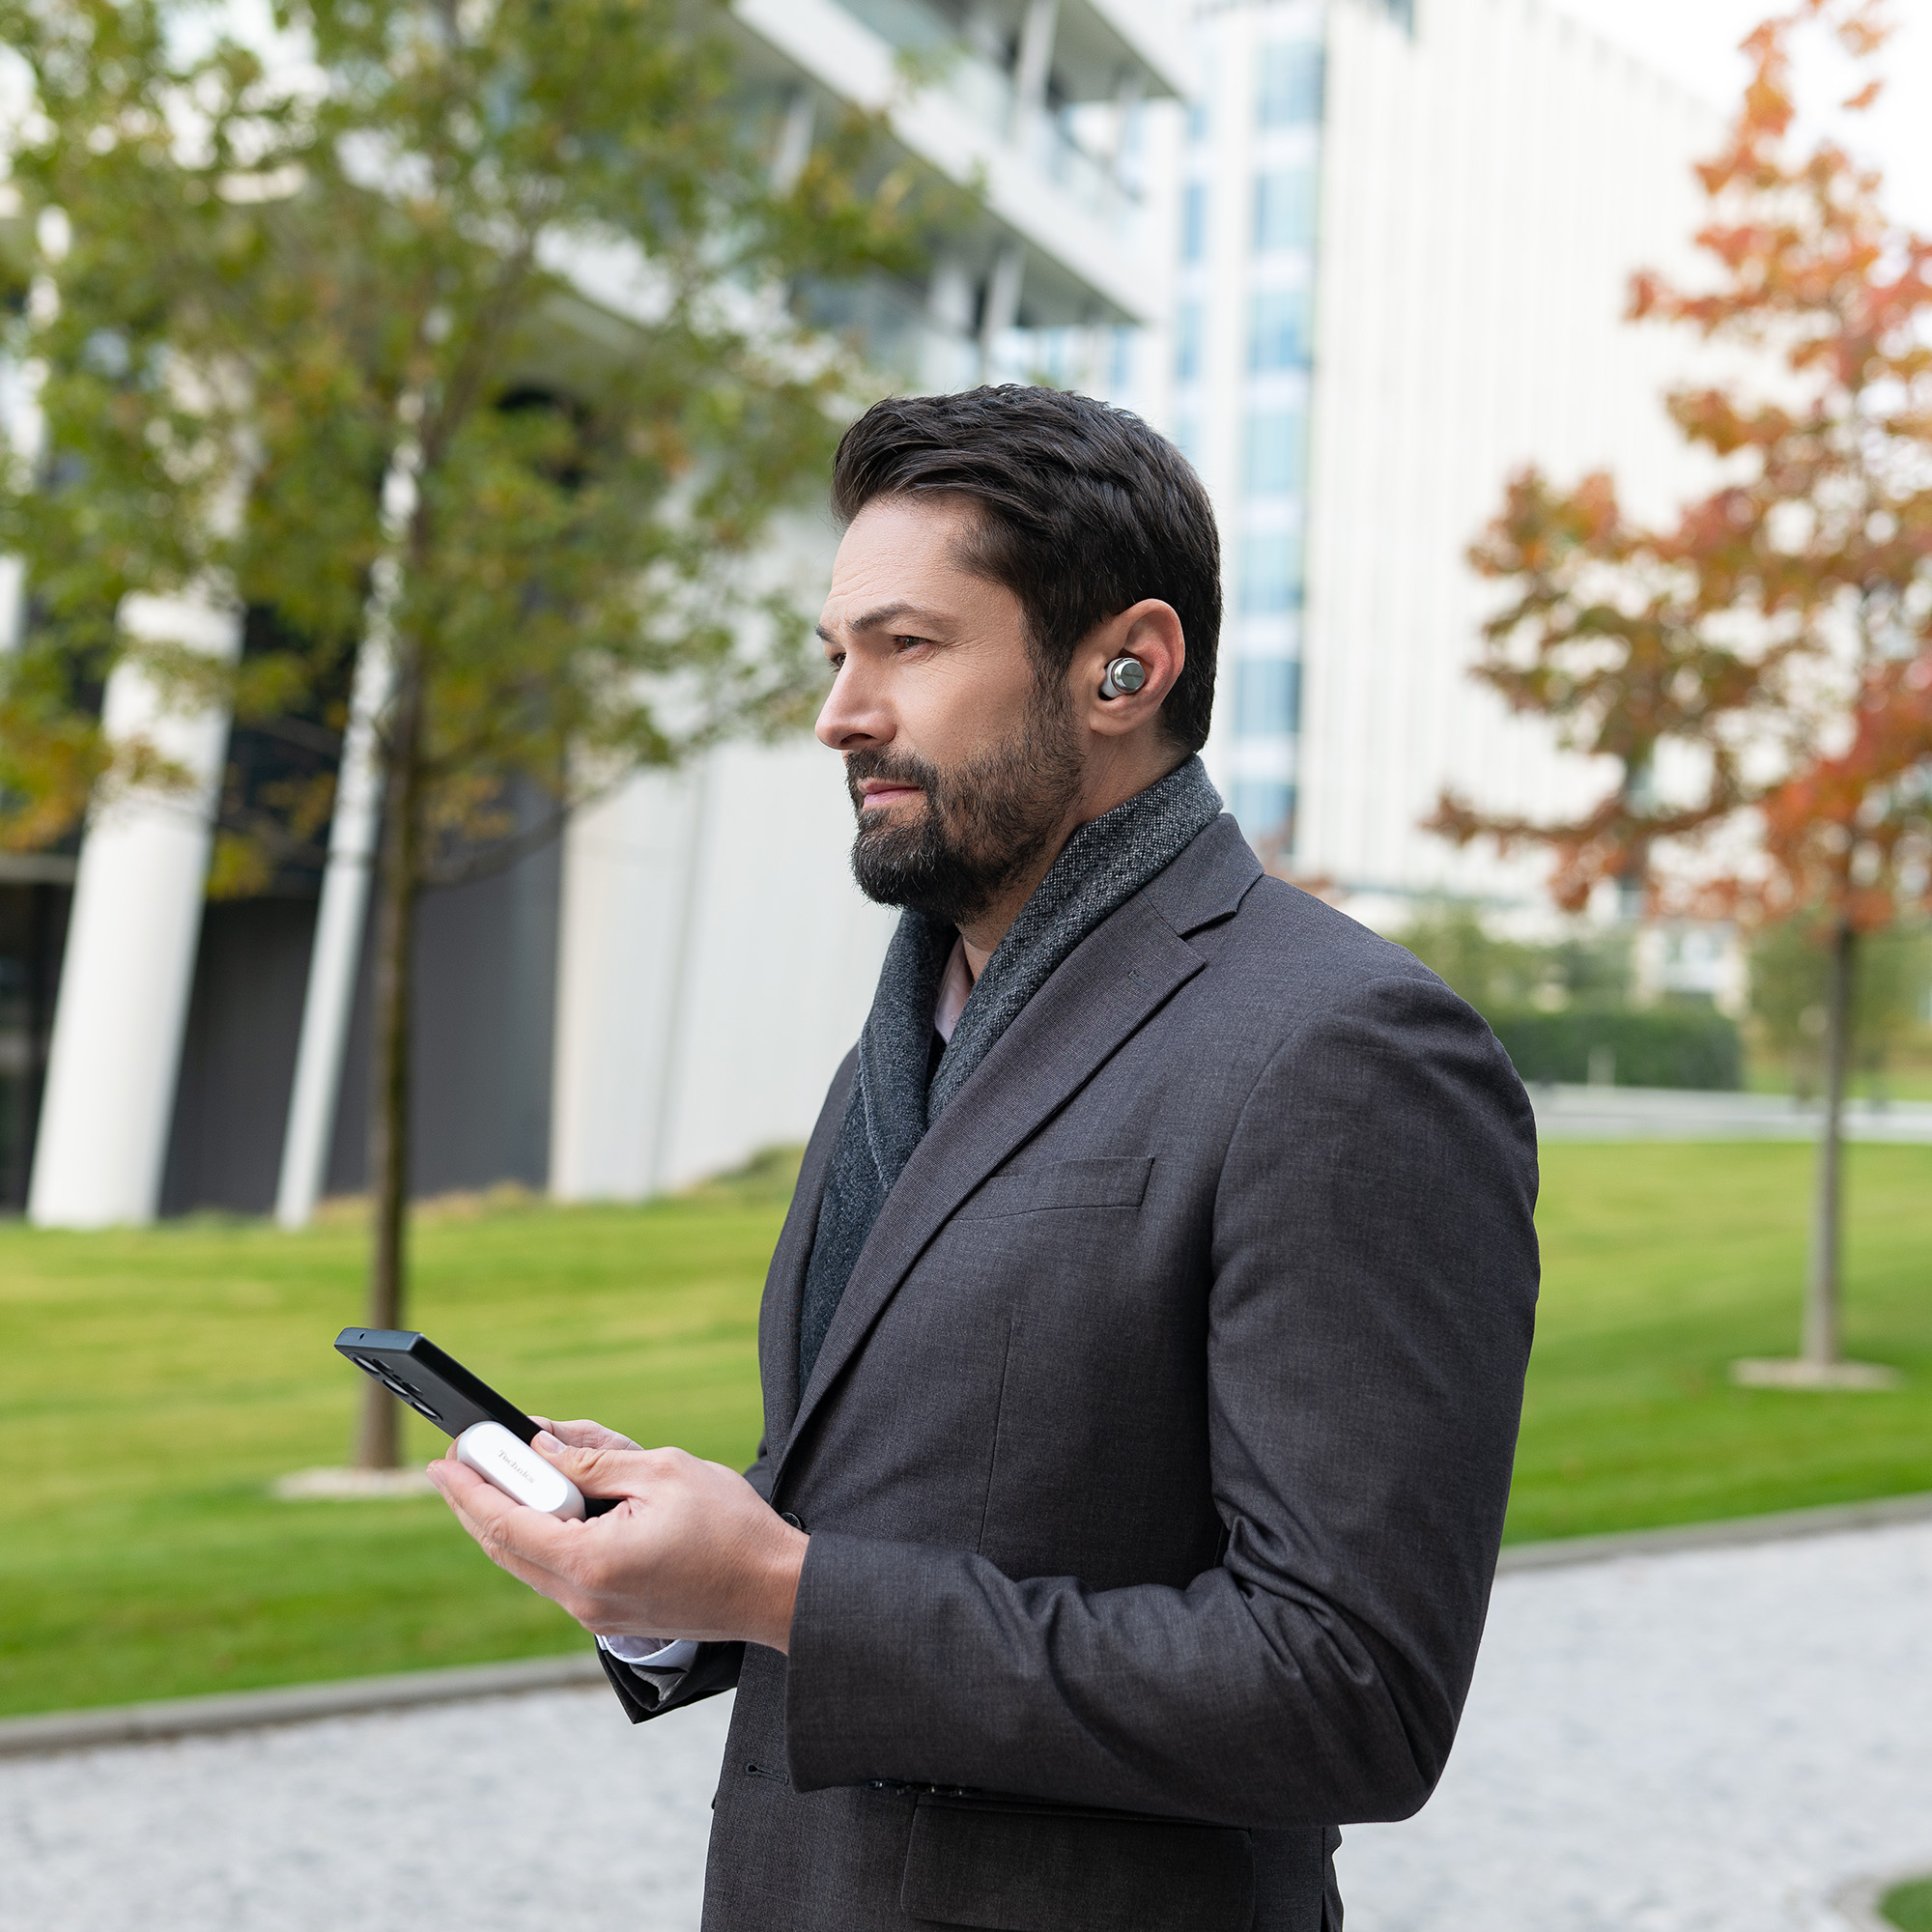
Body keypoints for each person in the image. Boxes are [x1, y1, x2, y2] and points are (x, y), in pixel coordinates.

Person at [430, 385, 1539, 1932]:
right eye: (839, 654)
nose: (841, 711)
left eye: (909, 645)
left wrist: (783, 1590)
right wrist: (678, 1587)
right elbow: (913, 1495)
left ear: (1125, 666)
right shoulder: (906, 1033)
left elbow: (1348, 1692)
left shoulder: (1350, 1053)